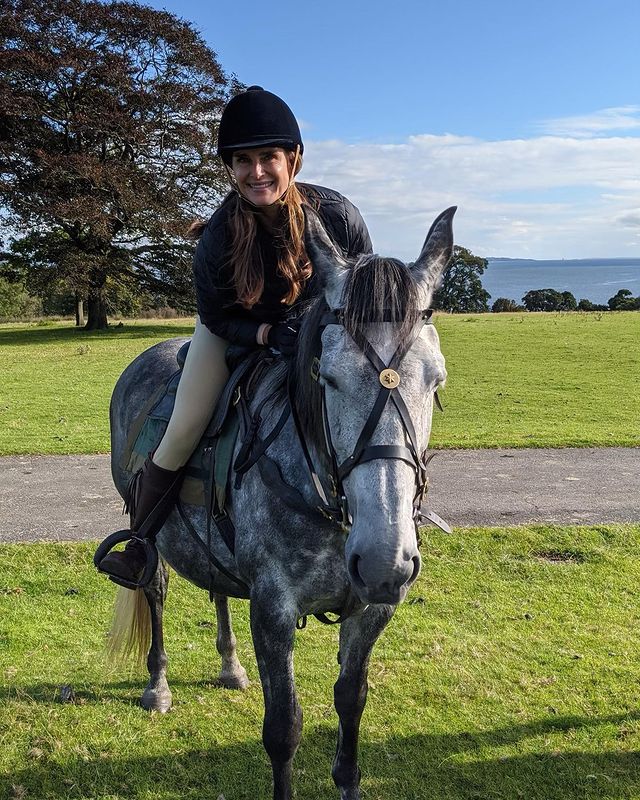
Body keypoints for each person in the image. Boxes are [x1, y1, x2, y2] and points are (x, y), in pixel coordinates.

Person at [97, 86, 372, 586]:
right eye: (243, 160)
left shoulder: (338, 216)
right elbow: (217, 318)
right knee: (185, 425)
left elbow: (361, 293)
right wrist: (266, 333)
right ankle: (139, 542)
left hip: (317, 336)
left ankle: (391, 517)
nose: (256, 171)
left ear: (294, 159)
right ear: (229, 168)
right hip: (233, 333)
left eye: (269, 157)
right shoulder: (218, 236)